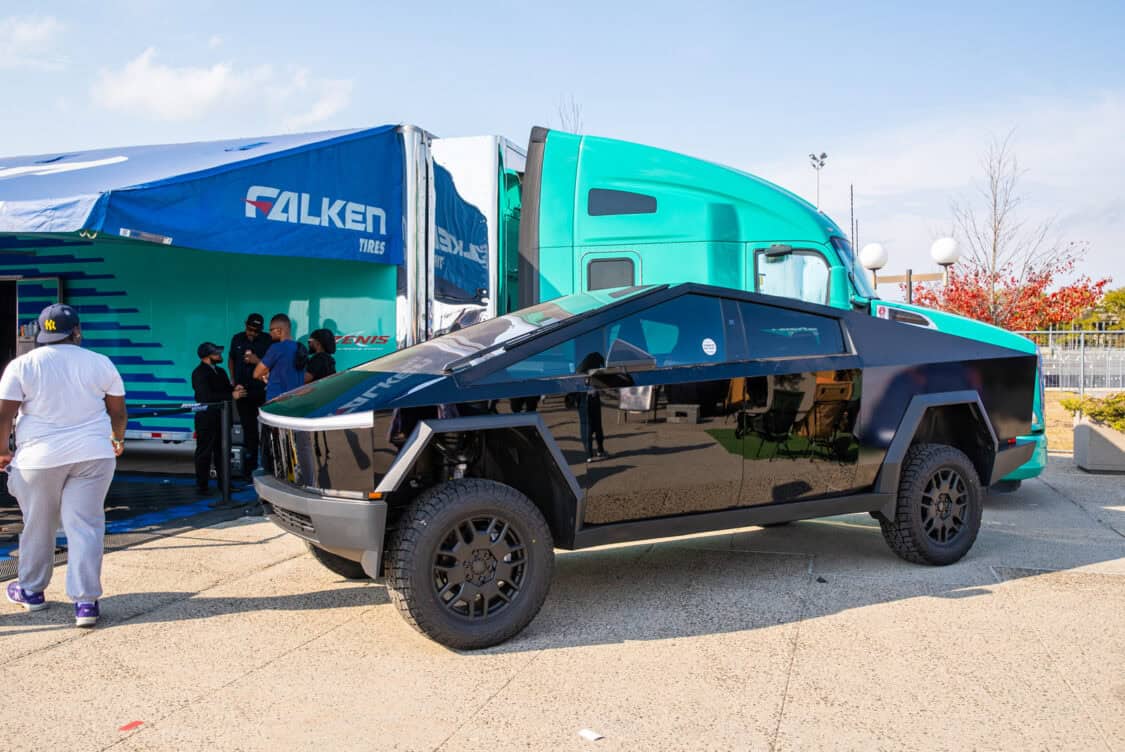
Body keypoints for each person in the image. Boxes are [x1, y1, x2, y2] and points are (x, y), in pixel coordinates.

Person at [0, 304, 126, 628]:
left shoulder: (22, 365)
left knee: (38, 524)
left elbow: (4, 414)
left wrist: (2, 450)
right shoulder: (100, 363)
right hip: (93, 454)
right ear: (77, 331)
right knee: (84, 525)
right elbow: (118, 412)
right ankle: (85, 603)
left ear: (44, 333)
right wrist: (117, 438)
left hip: (38, 460)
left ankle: (30, 591)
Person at [192, 342, 245, 496]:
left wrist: (234, 389)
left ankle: (225, 484)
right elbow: (205, 397)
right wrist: (230, 395)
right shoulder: (199, 373)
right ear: (207, 357)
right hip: (206, 419)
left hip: (222, 419)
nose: (220, 356)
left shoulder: (220, 371)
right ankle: (202, 486)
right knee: (204, 453)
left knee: (223, 452)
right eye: (216, 354)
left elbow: (225, 389)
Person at [228, 313, 270, 476]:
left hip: (262, 391)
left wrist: (256, 360)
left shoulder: (267, 340)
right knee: (249, 430)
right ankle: (249, 468)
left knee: (267, 429)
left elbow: (272, 365)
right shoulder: (237, 338)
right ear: (245, 325)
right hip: (243, 390)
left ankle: (268, 466)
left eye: (255, 331)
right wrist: (233, 378)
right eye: (249, 329)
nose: (251, 333)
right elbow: (231, 359)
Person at [254, 313, 306, 401]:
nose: (269, 333)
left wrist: (265, 376)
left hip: (277, 402)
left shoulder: (276, 348)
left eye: (271, 330)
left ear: (278, 331)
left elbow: (256, 374)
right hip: (297, 400)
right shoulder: (301, 348)